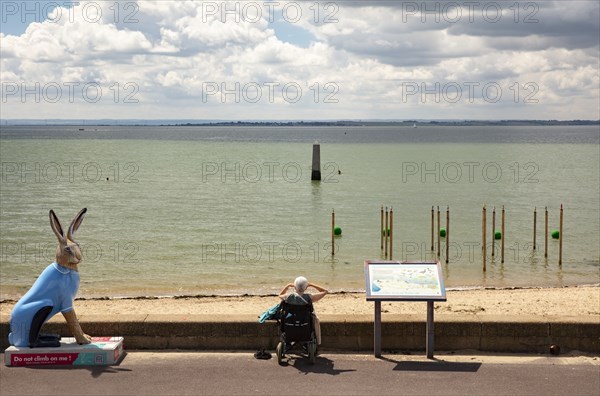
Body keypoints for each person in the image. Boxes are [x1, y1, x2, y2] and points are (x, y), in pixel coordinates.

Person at [278, 276, 328, 345]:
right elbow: (325, 291)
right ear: (306, 287)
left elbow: (280, 295)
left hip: (290, 323)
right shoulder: (309, 298)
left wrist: (288, 286)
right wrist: (311, 285)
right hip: (305, 323)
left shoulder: (288, 297)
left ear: (295, 287)